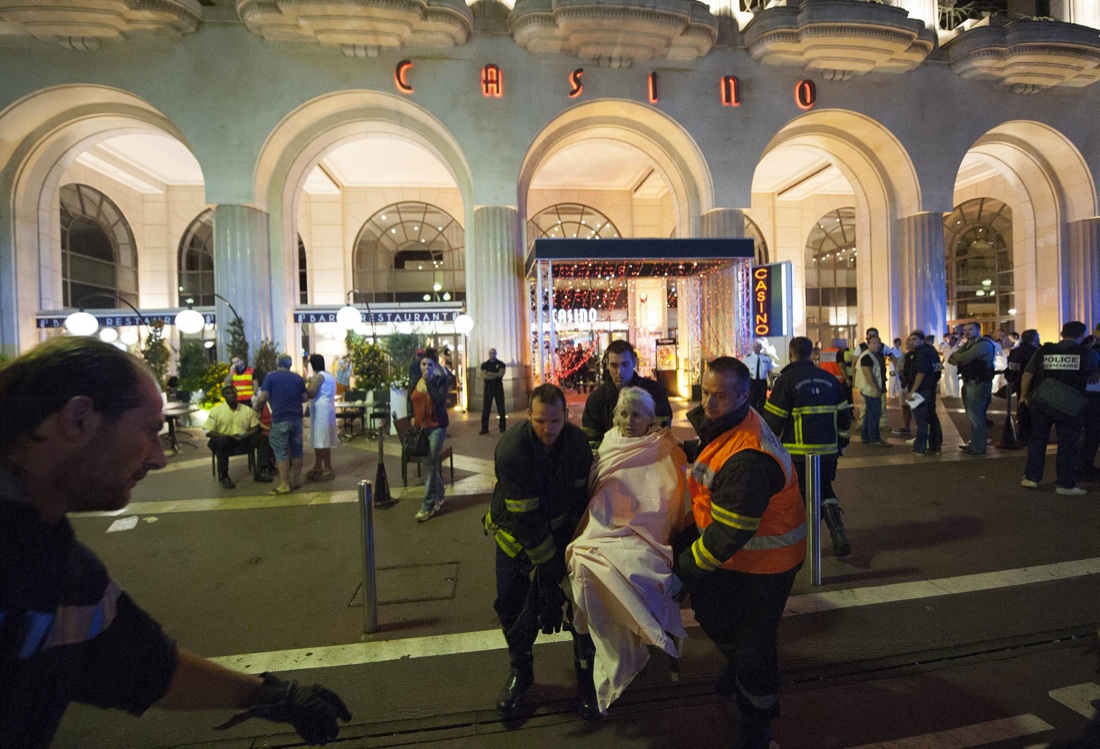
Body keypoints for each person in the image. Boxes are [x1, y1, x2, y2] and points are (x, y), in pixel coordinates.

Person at [0, 337, 351, 749]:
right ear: (78, 420)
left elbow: (147, 666)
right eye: (149, 431)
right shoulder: (41, 570)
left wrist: (270, 695)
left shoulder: (64, 571)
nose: (159, 458)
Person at [674, 357, 805, 749]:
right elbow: (711, 456)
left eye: (720, 395)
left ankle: (757, 722)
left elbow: (730, 532)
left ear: (744, 395)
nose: (709, 403)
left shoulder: (748, 458)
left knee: (754, 647)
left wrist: (685, 569)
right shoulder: (732, 424)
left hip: (767, 563)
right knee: (713, 612)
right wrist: (681, 449)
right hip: (742, 555)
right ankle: (738, 665)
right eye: (705, 393)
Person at [566, 387, 689, 717]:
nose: (628, 420)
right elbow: (598, 491)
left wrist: (645, 519)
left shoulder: (664, 447)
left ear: (650, 418)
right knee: (583, 564)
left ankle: (627, 653)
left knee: (637, 568)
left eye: (636, 414)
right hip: (602, 530)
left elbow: (669, 498)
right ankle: (607, 654)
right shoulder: (608, 443)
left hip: (647, 535)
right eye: (623, 413)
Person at [483, 385, 593, 720]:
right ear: (528, 415)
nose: (548, 429)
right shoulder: (512, 450)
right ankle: (521, 671)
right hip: (515, 538)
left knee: (582, 606)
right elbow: (526, 520)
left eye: (555, 421)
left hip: (562, 537)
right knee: (511, 605)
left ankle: (586, 675)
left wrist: (570, 551)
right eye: (540, 421)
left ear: (567, 416)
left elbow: (580, 501)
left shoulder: (577, 444)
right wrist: (549, 570)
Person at [764, 337, 852, 557]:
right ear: (812, 353)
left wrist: (767, 448)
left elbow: (773, 421)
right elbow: (844, 415)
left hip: (798, 453)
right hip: (828, 451)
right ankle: (838, 534)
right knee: (825, 489)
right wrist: (841, 444)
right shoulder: (829, 379)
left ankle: (800, 544)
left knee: (799, 494)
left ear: (791, 354)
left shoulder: (786, 381)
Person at [1019, 321, 1099, 495]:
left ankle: (1031, 478)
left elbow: (1028, 374)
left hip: (1042, 401)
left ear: (1062, 334)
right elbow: (1093, 376)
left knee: (1037, 441)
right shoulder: (1089, 354)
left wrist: (1024, 397)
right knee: (1067, 445)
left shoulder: (1043, 351)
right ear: (1082, 335)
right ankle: (1064, 484)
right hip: (1069, 405)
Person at [582, 340, 672, 449]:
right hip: (610, 456)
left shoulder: (655, 391)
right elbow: (592, 441)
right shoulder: (597, 399)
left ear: (634, 362)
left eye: (625, 364)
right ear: (607, 364)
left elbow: (663, 431)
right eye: (614, 365)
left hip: (649, 453)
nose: (620, 371)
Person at [252, 354, 308, 495]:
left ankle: (284, 484)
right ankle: (296, 480)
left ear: (277, 363)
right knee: (297, 450)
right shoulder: (298, 378)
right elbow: (304, 397)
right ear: (290, 364)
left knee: (281, 451)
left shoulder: (271, 377)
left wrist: (257, 407)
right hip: (297, 419)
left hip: (280, 419)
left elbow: (263, 397)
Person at [411, 349, 449, 522]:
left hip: (437, 428)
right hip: (421, 429)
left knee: (430, 465)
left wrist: (430, 382)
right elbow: (411, 399)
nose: (426, 367)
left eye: (430, 364)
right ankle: (439, 494)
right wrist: (411, 416)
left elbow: (439, 400)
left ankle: (427, 506)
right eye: (424, 364)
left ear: (435, 366)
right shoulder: (415, 380)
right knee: (430, 464)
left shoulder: (441, 381)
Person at [205, 385, 269, 488]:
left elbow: (255, 427)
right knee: (221, 442)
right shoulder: (216, 411)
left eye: (233, 393)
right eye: (228, 393)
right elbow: (208, 431)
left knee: (263, 439)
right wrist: (227, 436)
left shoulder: (246, 409)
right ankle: (224, 475)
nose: (231, 395)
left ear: (237, 395)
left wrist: (245, 435)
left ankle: (261, 471)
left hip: (243, 437)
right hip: (225, 438)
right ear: (224, 396)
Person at [949, 322, 997, 456]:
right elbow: (952, 359)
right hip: (969, 382)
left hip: (978, 384)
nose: (967, 332)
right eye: (965, 330)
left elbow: (963, 357)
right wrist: (960, 357)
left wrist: (960, 358)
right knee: (973, 416)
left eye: (970, 329)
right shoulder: (969, 344)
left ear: (978, 330)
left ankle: (978, 448)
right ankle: (975, 444)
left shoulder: (983, 344)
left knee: (977, 417)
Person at [999, 329, 1040, 449]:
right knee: (1031, 411)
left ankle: (1022, 433)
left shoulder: (1015, 351)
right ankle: (1028, 436)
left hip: (1017, 384)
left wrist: (1012, 380)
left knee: (1021, 408)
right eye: (1038, 337)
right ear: (1034, 339)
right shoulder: (1035, 352)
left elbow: (1011, 368)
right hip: (1031, 386)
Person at [907, 330, 943, 456]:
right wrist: (933, 382)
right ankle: (935, 445)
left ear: (922, 340)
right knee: (932, 417)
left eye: (914, 339)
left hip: (920, 390)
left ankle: (920, 447)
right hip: (930, 388)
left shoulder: (920, 353)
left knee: (921, 419)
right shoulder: (931, 350)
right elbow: (938, 368)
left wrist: (912, 391)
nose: (912, 342)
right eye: (910, 340)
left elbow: (920, 373)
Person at [305, 354, 338, 482]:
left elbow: (312, 392)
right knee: (320, 439)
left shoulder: (319, 377)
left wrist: (305, 388)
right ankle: (318, 465)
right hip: (327, 409)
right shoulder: (329, 376)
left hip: (321, 411)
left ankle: (328, 468)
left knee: (322, 439)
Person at [853, 335, 890, 447]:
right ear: (868, 344)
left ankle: (866, 437)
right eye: (874, 343)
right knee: (875, 414)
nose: (877, 345)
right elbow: (868, 374)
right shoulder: (867, 357)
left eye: (878, 343)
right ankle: (874, 438)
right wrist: (875, 388)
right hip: (870, 390)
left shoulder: (872, 356)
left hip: (868, 389)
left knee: (869, 413)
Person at [1078, 324, 1100, 482]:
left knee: (1091, 433)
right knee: (1092, 433)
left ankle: (1084, 466)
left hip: (1090, 395)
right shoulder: (1092, 349)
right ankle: (1084, 467)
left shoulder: (1088, 348)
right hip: (1094, 396)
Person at [479, 347, 507, 435]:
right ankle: (484, 428)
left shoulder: (501, 364)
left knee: (501, 408)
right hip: (488, 388)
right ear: (489, 354)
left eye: (494, 353)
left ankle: (502, 427)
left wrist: (490, 373)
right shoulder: (484, 365)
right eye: (491, 353)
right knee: (486, 408)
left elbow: (500, 374)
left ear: (496, 354)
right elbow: (484, 376)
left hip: (498, 387)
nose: (492, 355)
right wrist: (495, 375)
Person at [741, 339, 773, 413]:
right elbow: (742, 370)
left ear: (761, 348)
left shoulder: (766, 358)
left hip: (762, 382)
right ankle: (752, 415)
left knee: (762, 401)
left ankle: (761, 416)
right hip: (752, 382)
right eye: (754, 347)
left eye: (758, 347)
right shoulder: (748, 358)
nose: (756, 349)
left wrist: (771, 383)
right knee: (752, 401)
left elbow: (769, 371)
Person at [941, 333, 962, 398]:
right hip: (947, 364)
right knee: (947, 379)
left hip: (954, 365)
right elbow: (944, 357)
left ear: (955, 341)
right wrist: (941, 364)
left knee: (954, 379)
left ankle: (955, 393)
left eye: (952, 341)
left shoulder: (957, 349)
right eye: (950, 340)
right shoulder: (946, 348)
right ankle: (948, 392)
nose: (950, 342)